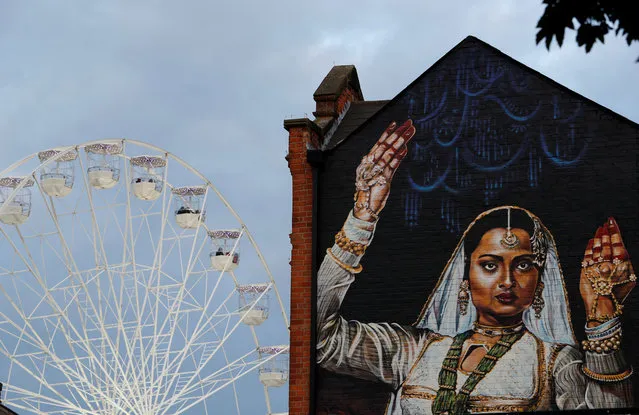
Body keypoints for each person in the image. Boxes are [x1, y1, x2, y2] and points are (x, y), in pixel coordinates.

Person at [316, 119, 635, 414]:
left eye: (523, 265)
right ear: (464, 278)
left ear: (540, 282)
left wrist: (602, 315)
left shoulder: (554, 363)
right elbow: (320, 338)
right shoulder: (412, 349)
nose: (507, 281)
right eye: (489, 265)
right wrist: (361, 218)